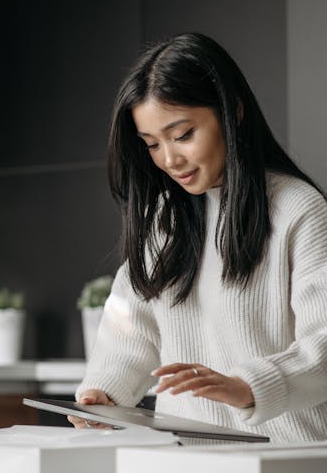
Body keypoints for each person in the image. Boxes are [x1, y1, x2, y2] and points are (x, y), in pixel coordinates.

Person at [71, 32, 327, 442]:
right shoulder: (163, 221)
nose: (169, 159)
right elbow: (130, 329)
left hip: (287, 457)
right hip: (185, 457)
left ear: (233, 113)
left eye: (183, 134)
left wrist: (248, 386)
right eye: (152, 144)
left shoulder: (299, 209)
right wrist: (104, 394)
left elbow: (324, 342)